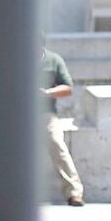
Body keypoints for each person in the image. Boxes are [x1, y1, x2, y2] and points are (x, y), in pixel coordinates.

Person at [40, 38, 85, 206]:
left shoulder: (53, 60)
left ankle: (74, 192)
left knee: (57, 144)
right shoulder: (16, 58)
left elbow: (68, 87)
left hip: (46, 114)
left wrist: (47, 93)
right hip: (19, 115)